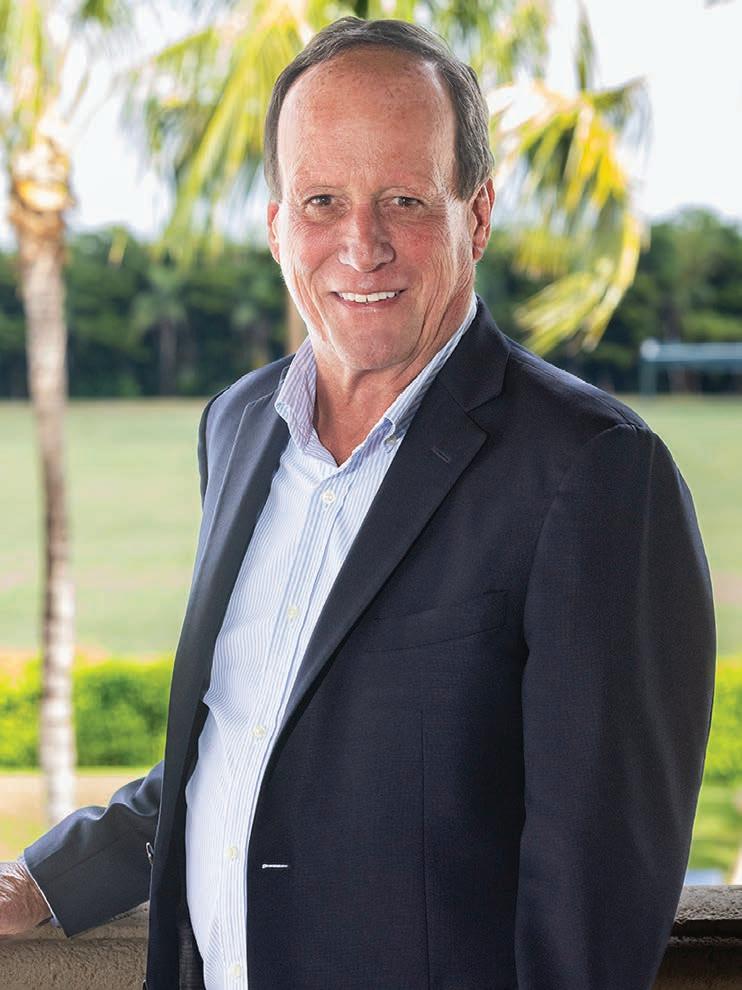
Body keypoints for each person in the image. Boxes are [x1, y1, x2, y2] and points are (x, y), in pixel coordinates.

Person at [0, 17, 715, 990]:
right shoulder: (239, 425)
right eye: (322, 201)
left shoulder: (596, 472)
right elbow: (246, 733)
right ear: (275, 224)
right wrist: (46, 878)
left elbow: (596, 897)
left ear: (477, 214)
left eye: (404, 200)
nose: (360, 245)